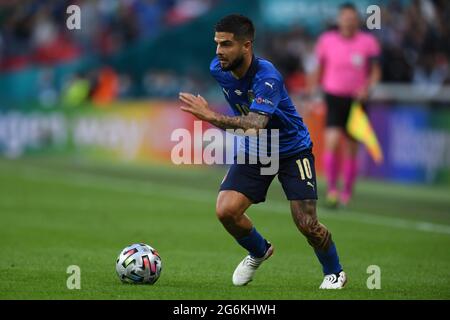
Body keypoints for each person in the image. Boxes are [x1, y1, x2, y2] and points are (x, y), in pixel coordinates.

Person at [179, 14, 346, 289]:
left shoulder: (268, 78)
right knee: (226, 211)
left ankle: (335, 271)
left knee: (306, 222)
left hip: (293, 149)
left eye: (227, 44)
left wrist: (209, 116)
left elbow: (256, 124)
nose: (219, 51)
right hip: (256, 150)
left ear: (247, 46)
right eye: (217, 43)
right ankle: (259, 250)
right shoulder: (217, 69)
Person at [309, 3, 381, 207]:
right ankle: (332, 189)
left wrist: (367, 88)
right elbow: (318, 68)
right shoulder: (326, 40)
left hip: (357, 101)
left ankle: (347, 193)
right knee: (331, 141)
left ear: (356, 20)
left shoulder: (368, 42)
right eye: (344, 18)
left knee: (351, 147)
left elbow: (375, 72)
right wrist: (314, 91)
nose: (348, 21)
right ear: (339, 20)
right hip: (333, 97)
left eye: (351, 18)